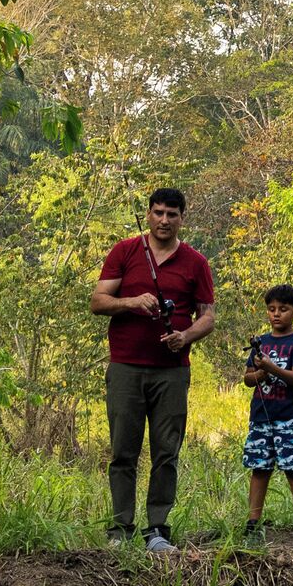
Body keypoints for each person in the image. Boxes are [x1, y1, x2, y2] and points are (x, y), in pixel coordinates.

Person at [91, 186, 215, 548]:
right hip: (125, 367)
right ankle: (120, 528)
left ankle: (157, 528)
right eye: (158, 212)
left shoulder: (196, 262)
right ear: (148, 214)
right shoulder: (125, 251)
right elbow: (98, 301)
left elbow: (208, 316)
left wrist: (185, 336)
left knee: (166, 452)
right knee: (123, 451)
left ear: (182, 218)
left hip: (172, 371)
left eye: (172, 214)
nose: (164, 220)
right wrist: (131, 302)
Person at [240, 284, 293, 545]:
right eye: (271, 309)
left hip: (290, 417)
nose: (276, 314)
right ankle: (252, 525)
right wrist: (260, 373)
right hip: (261, 417)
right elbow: (248, 379)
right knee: (259, 469)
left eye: (283, 309)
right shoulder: (261, 342)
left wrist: (271, 368)